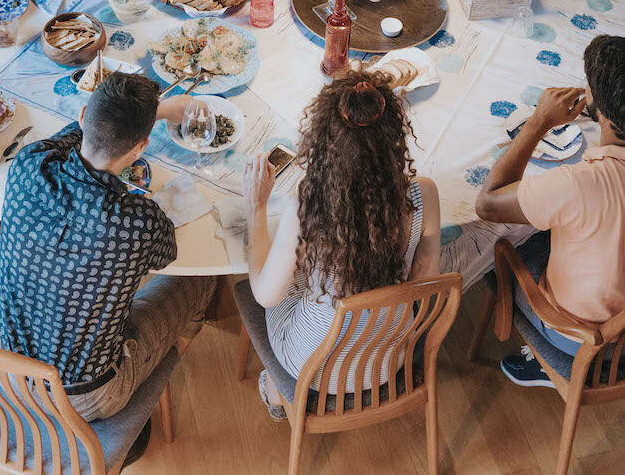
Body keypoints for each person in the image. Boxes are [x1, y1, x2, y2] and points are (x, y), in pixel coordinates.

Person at [0, 72, 215, 420]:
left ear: (83, 116)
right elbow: (166, 254)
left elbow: (71, 139)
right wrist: (152, 115)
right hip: (85, 397)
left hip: (6, 371)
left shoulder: (29, 164)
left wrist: (149, 113)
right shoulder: (137, 222)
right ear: (141, 147)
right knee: (201, 282)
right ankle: (161, 368)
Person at [241, 69, 440, 418]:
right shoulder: (423, 194)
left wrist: (256, 207)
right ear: (394, 137)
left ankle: (276, 390)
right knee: (307, 270)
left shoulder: (309, 210)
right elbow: (424, 282)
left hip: (311, 365)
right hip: (385, 358)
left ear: (322, 146)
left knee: (275, 273)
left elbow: (265, 296)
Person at [476, 35, 625, 386]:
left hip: (583, 336)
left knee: (500, 250)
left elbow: (488, 203)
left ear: (600, 112)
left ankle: (546, 360)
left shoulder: (580, 183)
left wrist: (539, 121)